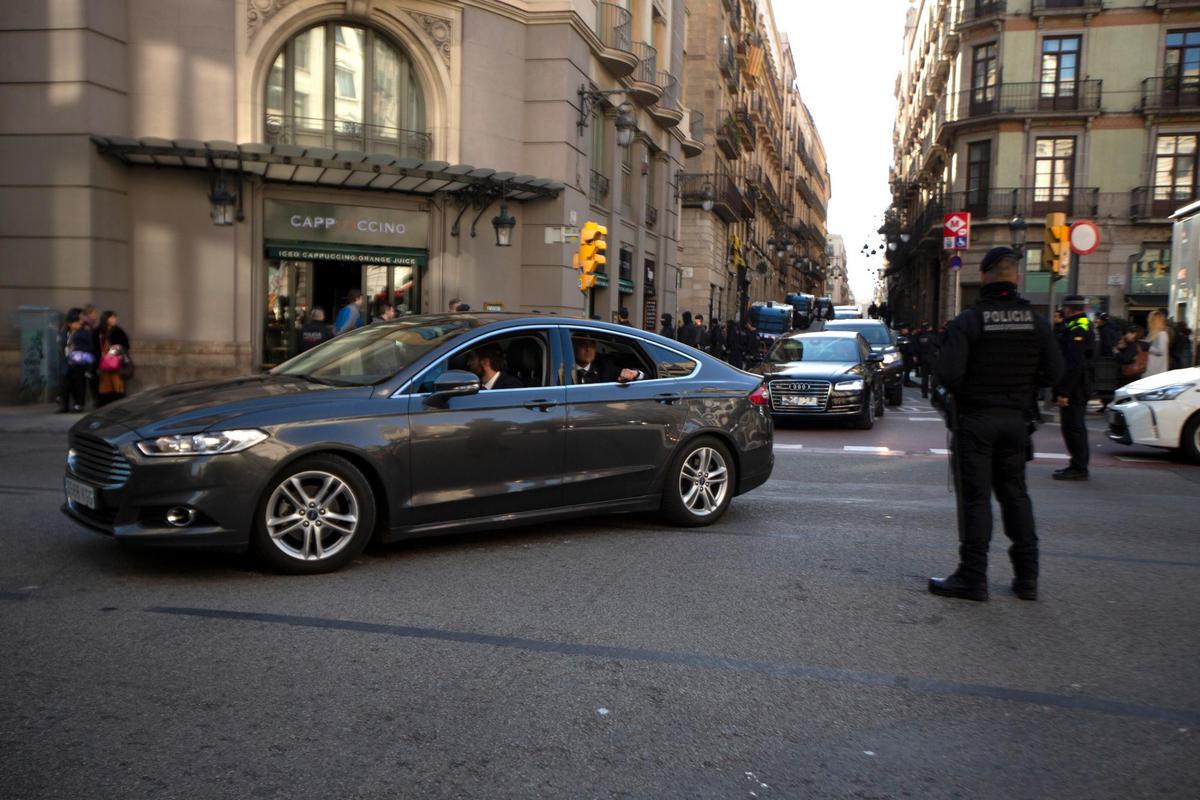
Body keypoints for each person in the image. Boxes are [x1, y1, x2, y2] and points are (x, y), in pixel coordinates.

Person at [929, 247, 1062, 602]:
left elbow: (946, 374)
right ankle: (1027, 578)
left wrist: (964, 398)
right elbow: (1056, 372)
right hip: (1016, 421)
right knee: (1016, 495)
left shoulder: (969, 321)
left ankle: (973, 578)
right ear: (1016, 277)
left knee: (976, 500)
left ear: (985, 277)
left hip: (975, 420)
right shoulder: (1036, 322)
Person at [1053, 294, 1095, 481]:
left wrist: (1064, 391)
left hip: (1076, 387)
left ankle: (1079, 467)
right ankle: (1076, 464)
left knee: (1074, 427)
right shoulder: (1077, 325)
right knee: (1072, 427)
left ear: (1068, 308)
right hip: (1077, 385)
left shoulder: (1078, 328)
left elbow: (1074, 363)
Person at [61, 308, 94, 413]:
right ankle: (65, 405)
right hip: (67, 361)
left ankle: (79, 404)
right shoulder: (65, 332)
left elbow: (89, 347)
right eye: (78, 319)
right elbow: (62, 344)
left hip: (80, 361)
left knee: (79, 383)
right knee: (66, 383)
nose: (80, 321)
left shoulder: (84, 332)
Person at [96, 310, 131, 406]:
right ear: (106, 319)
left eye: (115, 317)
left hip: (116, 362)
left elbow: (126, 346)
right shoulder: (99, 331)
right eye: (112, 317)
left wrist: (117, 348)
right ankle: (104, 404)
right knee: (105, 385)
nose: (115, 319)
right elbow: (95, 346)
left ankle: (117, 403)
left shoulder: (119, 331)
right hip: (103, 363)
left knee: (117, 383)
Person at [572, 336, 641, 383]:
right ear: (573, 347)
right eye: (583, 345)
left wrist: (636, 374)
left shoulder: (604, 368)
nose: (588, 349)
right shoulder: (564, 369)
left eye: (592, 345)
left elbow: (644, 376)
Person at [914, 321, 939, 398]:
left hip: (923, 358)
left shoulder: (920, 338)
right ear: (928, 328)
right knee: (933, 376)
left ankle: (924, 393)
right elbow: (936, 347)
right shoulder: (933, 337)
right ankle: (933, 392)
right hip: (931, 358)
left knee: (924, 376)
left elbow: (917, 348)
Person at [1144, 309, 1171, 377]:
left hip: (1156, 371)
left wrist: (1147, 347)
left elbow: (1160, 351)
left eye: (1150, 319)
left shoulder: (1162, 334)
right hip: (1152, 369)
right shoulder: (1153, 333)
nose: (1148, 321)